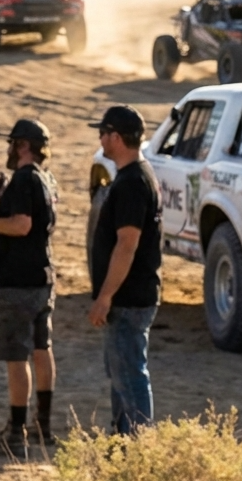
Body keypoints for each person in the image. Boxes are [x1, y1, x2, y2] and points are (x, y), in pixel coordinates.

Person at [0, 119, 59, 460]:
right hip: (41, 279)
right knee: (42, 349)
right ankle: (43, 426)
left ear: (23, 145)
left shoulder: (25, 180)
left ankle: (16, 432)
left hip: (19, 284)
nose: (9, 149)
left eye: (12, 143)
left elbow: (22, 225)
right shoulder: (44, 179)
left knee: (16, 357)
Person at [87, 105, 163, 435]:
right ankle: (122, 444)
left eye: (103, 133)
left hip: (128, 298)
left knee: (129, 376)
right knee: (122, 375)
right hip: (132, 295)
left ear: (116, 137)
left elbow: (127, 244)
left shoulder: (132, 183)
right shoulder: (136, 176)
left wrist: (105, 296)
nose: (101, 139)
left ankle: (136, 449)